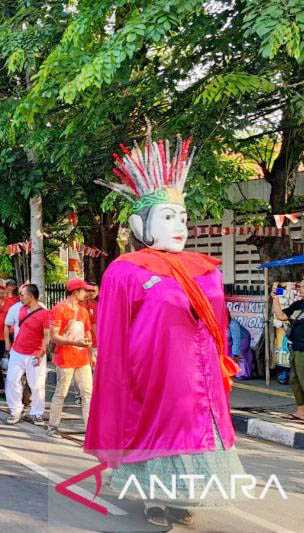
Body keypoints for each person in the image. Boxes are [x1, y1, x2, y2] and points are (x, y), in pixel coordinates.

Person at [85, 132, 244, 527]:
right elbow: (112, 331)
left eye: (183, 217)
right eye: (168, 217)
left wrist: (220, 364)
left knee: (193, 442)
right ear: (141, 223)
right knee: (156, 438)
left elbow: (217, 325)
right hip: (150, 375)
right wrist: (119, 378)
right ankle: (155, 498)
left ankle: (181, 496)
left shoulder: (206, 271)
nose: (180, 225)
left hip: (198, 377)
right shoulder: (126, 271)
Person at [46, 279, 94, 437]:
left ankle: (90, 429)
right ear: (75, 292)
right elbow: (54, 337)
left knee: (88, 393)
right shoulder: (59, 309)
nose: (86, 293)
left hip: (82, 359)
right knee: (61, 392)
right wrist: (76, 342)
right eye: (84, 290)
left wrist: (89, 347)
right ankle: (52, 426)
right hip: (65, 358)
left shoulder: (83, 311)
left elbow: (87, 332)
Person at [4, 284, 51, 425]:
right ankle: (15, 411)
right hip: (17, 352)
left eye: (22, 294)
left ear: (31, 296)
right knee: (12, 381)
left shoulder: (44, 313)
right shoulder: (19, 310)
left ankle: (37, 413)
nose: (20, 297)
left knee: (36, 385)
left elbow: (47, 335)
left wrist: (41, 352)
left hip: (35, 354)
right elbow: (8, 326)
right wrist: (8, 344)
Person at [271, 284, 304, 421]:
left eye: (302, 285)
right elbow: (281, 315)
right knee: (295, 380)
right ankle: (301, 411)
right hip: (295, 348)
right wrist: (275, 299)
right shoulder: (298, 305)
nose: (299, 288)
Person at [228, 312, 254, 380]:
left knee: (240, 355)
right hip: (233, 340)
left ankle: (244, 374)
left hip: (243, 338)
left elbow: (237, 340)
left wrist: (235, 353)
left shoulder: (233, 324)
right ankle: (234, 370)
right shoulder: (221, 324)